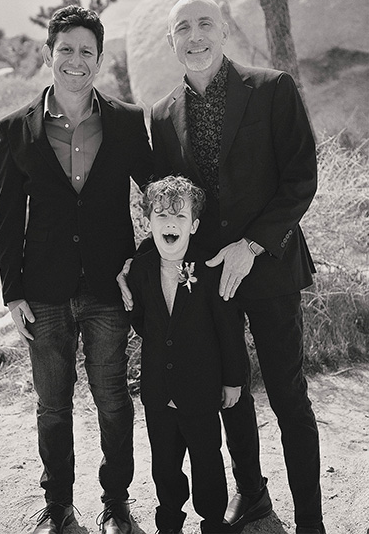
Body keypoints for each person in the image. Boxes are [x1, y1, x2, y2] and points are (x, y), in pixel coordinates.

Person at [119, 0, 322, 534]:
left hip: (271, 267)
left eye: (204, 23)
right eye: (182, 28)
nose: (195, 35)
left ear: (224, 30)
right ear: (171, 42)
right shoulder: (162, 116)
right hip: (206, 283)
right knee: (229, 393)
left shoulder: (273, 89)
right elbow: (169, 202)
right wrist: (137, 262)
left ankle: (310, 520)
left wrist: (251, 244)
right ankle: (252, 495)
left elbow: (301, 176)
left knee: (286, 394)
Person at [0, 5, 153, 534]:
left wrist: (147, 265)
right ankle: (59, 507)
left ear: (100, 60)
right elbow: (6, 215)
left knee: (112, 400)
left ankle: (116, 504)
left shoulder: (128, 123)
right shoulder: (15, 129)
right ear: (49, 56)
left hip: (110, 287)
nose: (76, 60)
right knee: (52, 404)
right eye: (66, 50)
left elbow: (158, 197)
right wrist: (11, 292)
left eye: (87, 51)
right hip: (43, 290)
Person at [128, 176, 246, 534]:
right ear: (149, 223)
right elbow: (142, 321)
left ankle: (213, 520)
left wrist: (232, 379)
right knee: (164, 463)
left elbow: (229, 330)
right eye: (161, 215)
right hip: (158, 391)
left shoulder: (208, 271)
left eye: (180, 217)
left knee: (207, 460)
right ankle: (169, 521)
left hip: (201, 389)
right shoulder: (141, 271)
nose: (170, 223)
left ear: (193, 225)